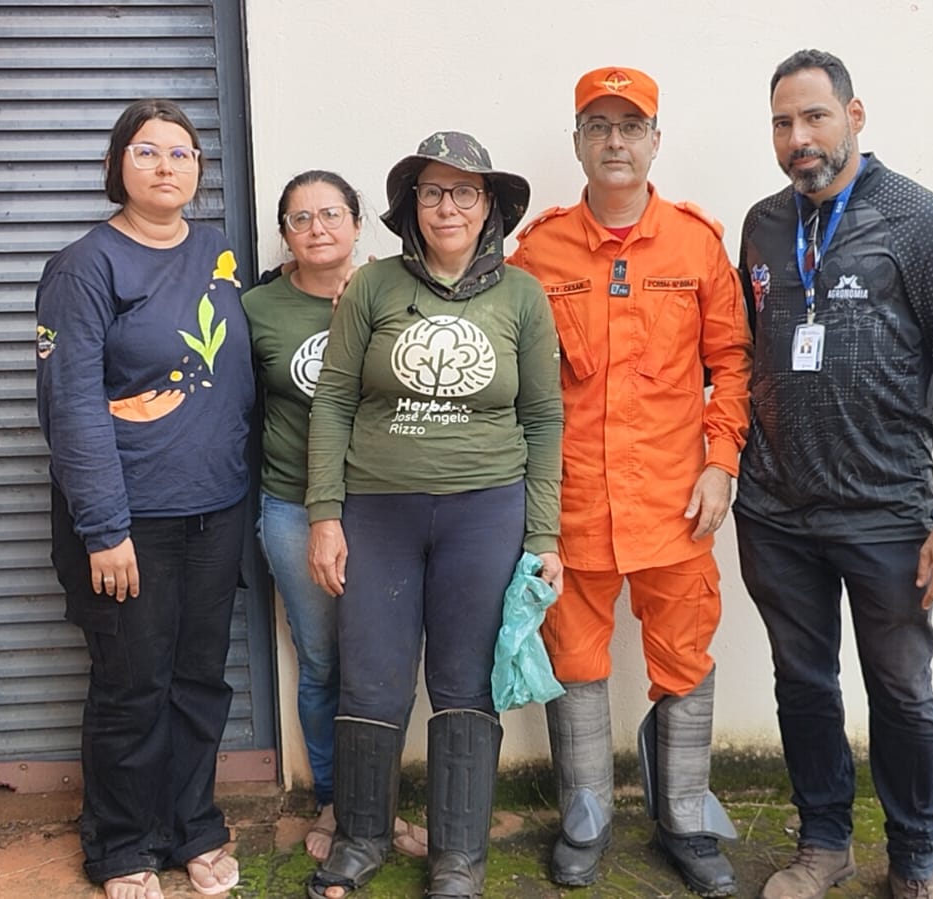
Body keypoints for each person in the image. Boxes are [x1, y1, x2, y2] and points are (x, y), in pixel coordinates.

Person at [734, 50, 933, 899]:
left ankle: (913, 858)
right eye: (782, 122)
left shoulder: (923, 222)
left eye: (814, 116)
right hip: (775, 508)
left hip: (886, 511)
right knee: (803, 684)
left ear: (854, 114)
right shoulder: (762, 225)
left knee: (899, 690)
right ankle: (822, 844)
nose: (798, 137)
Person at [509, 67, 753, 897]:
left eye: (631, 125)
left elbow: (732, 363)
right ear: (577, 140)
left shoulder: (694, 244)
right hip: (573, 502)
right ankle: (585, 810)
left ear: (655, 139)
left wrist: (721, 463)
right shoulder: (536, 250)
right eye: (598, 125)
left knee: (682, 655)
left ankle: (682, 810)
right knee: (572, 657)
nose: (615, 140)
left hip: (674, 502)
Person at [303, 132, 564, 899]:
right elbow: (334, 404)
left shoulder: (522, 295)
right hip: (377, 511)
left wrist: (543, 532)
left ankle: (457, 856)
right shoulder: (372, 288)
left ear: (489, 208)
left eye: (464, 192)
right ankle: (359, 836)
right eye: (431, 192)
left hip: (485, 512)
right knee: (373, 676)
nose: (447, 206)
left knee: (462, 681)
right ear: (409, 207)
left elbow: (544, 418)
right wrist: (325, 515)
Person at [35, 98, 253, 899]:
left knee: (199, 679)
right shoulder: (86, 266)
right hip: (128, 521)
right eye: (149, 152)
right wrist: (103, 528)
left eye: (183, 153)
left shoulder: (219, 254)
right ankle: (122, 845)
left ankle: (193, 827)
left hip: (216, 509)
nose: (168, 167)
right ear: (117, 164)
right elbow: (72, 404)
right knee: (131, 686)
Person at [239, 171, 428, 863]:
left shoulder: (398, 290)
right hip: (293, 505)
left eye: (331, 214)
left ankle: (379, 806)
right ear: (284, 233)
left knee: (379, 666)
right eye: (299, 218)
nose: (317, 228)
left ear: (357, 223)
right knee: (322, 662)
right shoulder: (258, 307)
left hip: (384, 505)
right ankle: (335, 800)